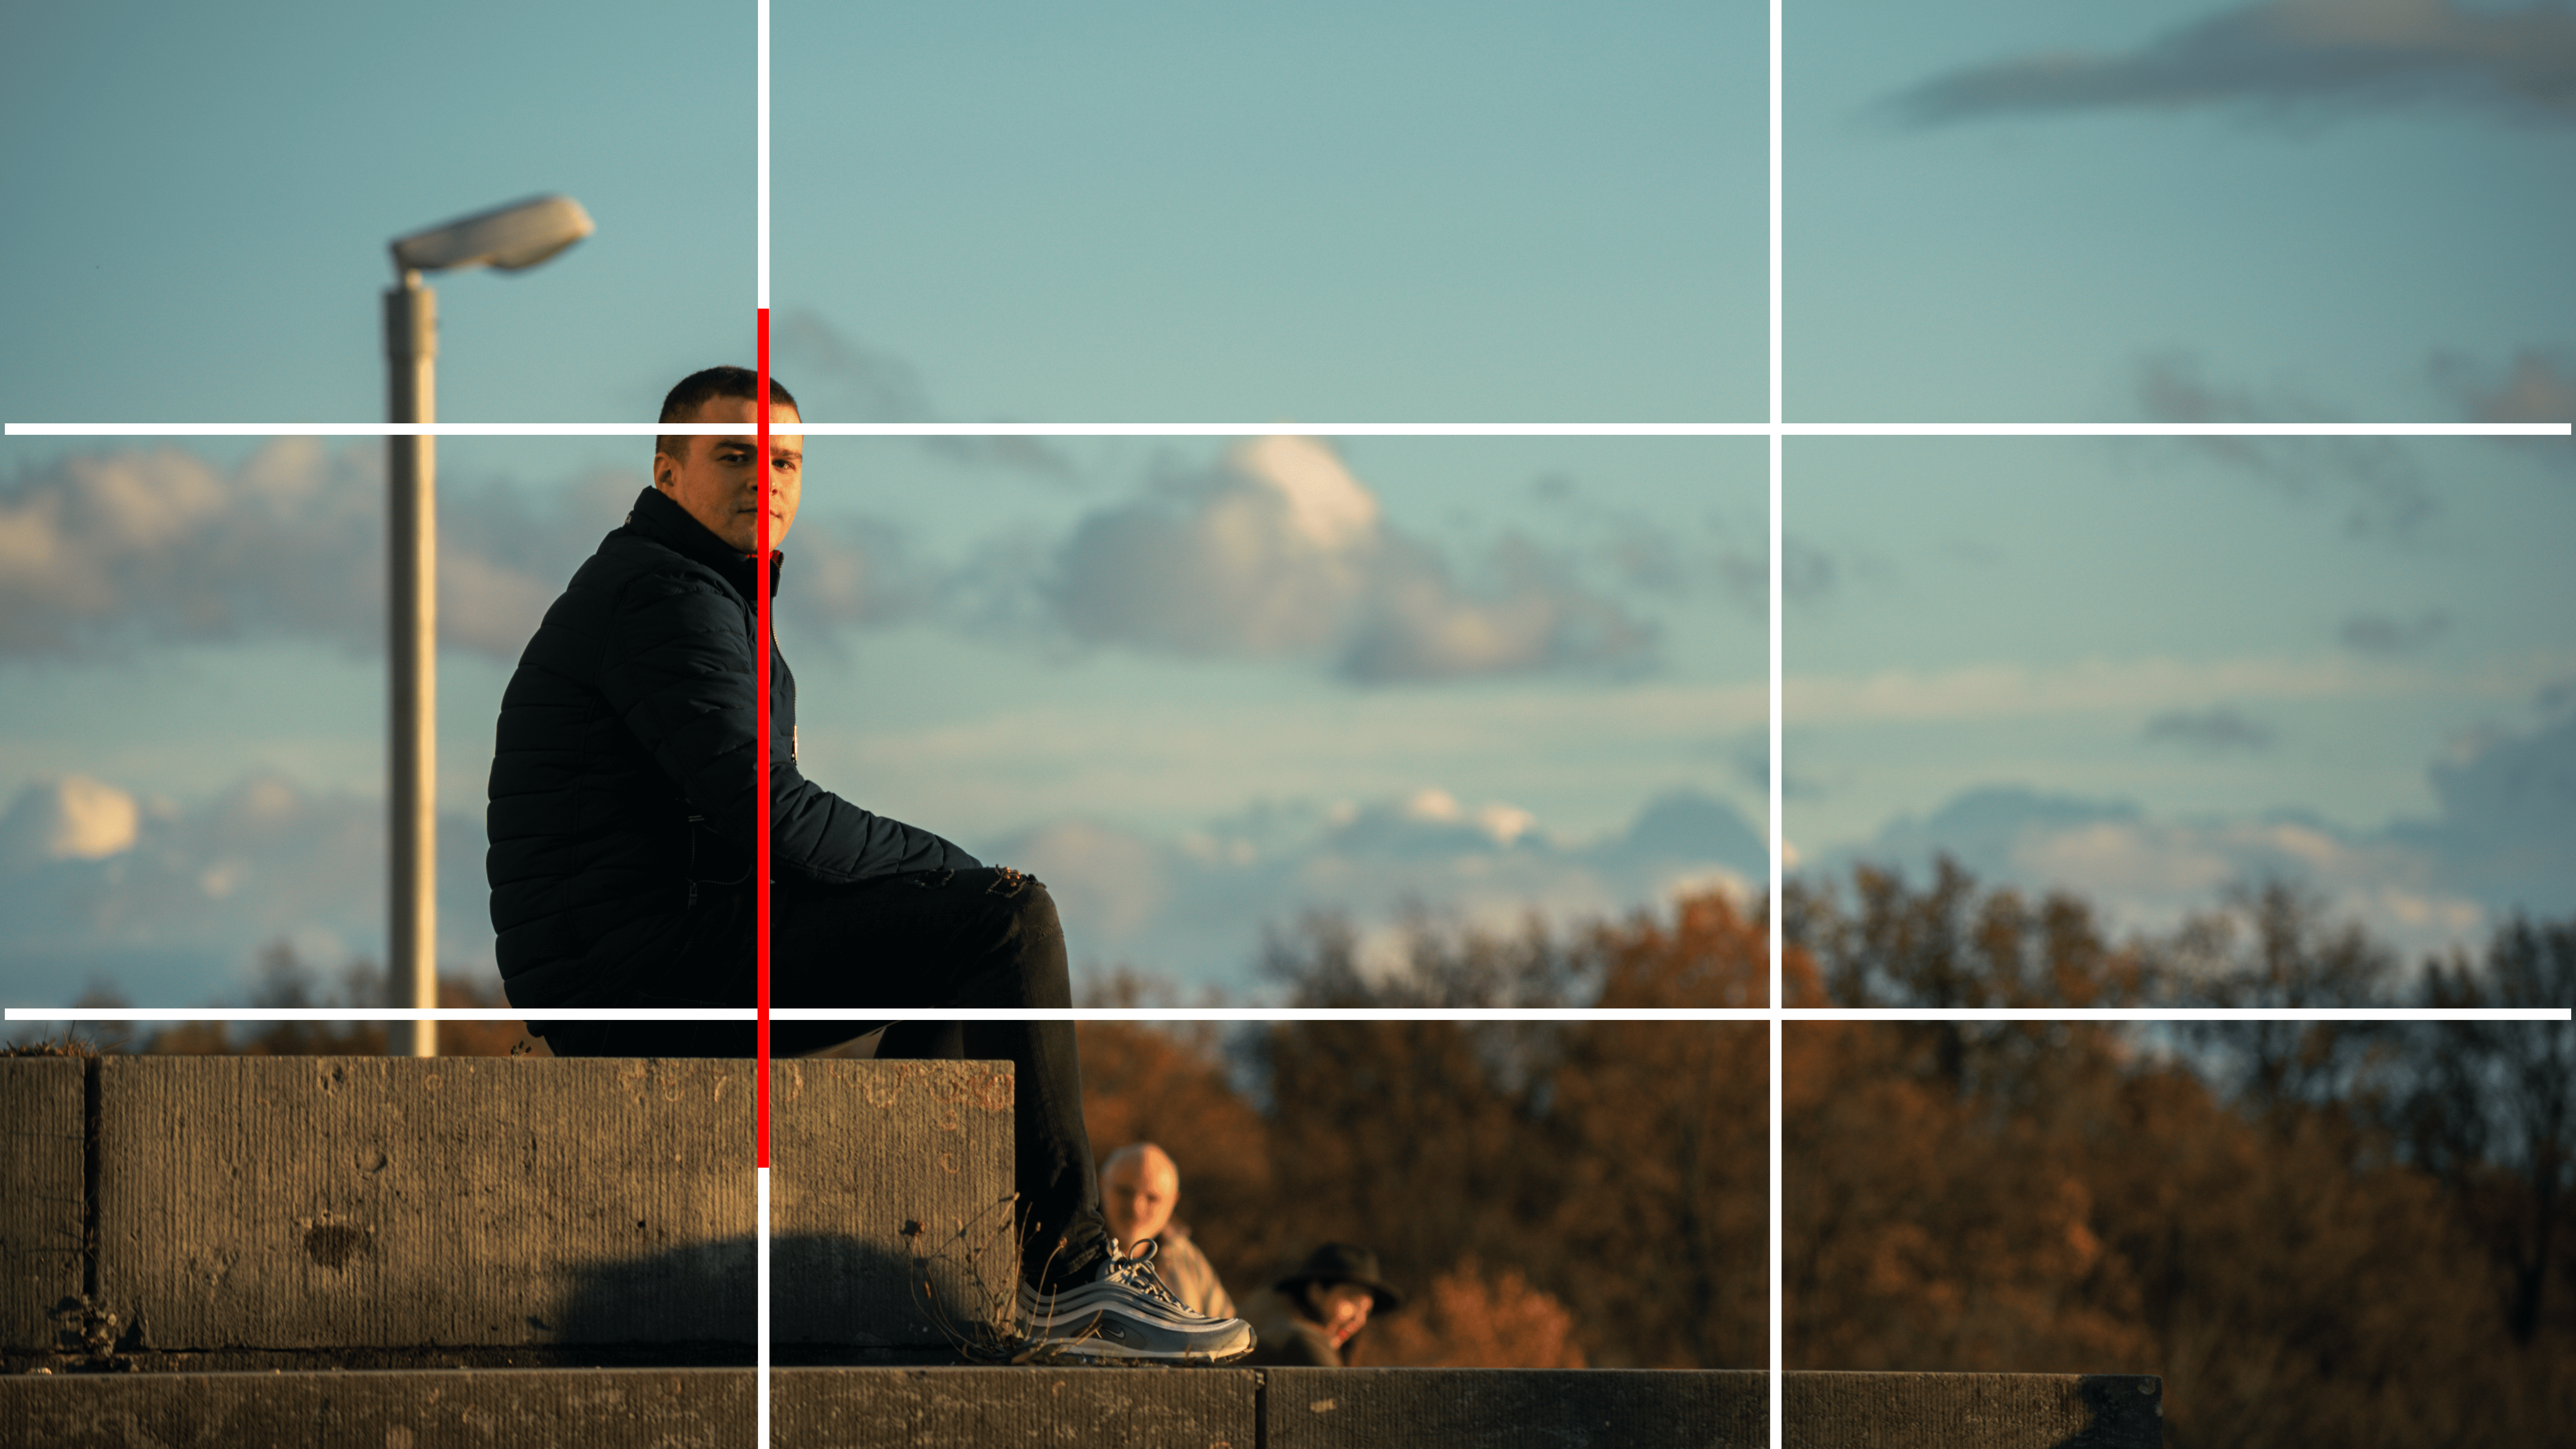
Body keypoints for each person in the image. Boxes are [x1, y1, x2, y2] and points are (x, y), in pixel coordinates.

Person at [485, 366, 1251, 1365]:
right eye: (734, 456)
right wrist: (963, 878)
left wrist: (932, 896)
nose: (767, 478)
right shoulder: (664, 596)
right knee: (1000, 922)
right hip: (640, 966)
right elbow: (774, 819)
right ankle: (1068, 1272)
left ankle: (912, 1258)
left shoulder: (693, 592)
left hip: (642, 951)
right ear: (667, 474)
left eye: (788, 460)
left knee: (953, 942)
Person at [1100, 1142, 1235, 1320]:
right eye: (1124, 1192)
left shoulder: (1188, 1262)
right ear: (1102, 1184)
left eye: (1152, 1198)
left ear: (1173, 1202)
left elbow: (1226, 1338)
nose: (1136, 1208)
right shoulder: (1065, 1251)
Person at [1242, 1244, 1403, 1367]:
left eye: (1367, 1311)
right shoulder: (1301, 1342)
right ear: (1316, 1292)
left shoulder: (1268, 1329)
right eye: (1352, 1300)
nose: (1359, 1320)